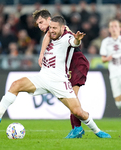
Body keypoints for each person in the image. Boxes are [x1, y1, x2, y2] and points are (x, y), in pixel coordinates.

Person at [0, 15, 111, 139]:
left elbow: (74, 42)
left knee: (78, 112)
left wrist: (77, 39)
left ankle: (97, 131)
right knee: (16, 84)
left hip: (60, 82)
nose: (52, 30)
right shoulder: (48, 37)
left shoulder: (67, 38)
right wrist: (42, 53)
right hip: (43, 78)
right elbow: (47, 37)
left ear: (62, 28)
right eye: (51, 27)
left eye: (55, 28)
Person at [32, 9, 89, 138]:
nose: (40, 26)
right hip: (67, 66)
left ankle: (77, 128)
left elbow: (72, 41)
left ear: (49, 20)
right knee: (71, 99)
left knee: (72, 98)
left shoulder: (59, 29)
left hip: (76, 62)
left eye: (41, 22)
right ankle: (77, 127)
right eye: (38, 24)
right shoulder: (51, 32)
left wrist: (41, 54)